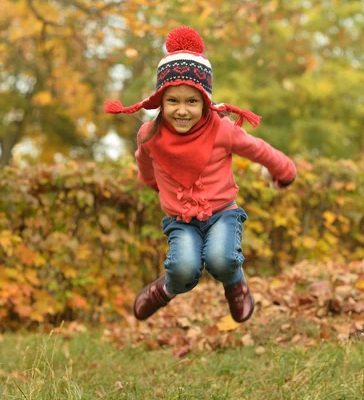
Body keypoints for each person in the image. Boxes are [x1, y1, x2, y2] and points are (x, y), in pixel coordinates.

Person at [104, 26, 296, 323]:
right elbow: (144, 163)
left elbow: (258, 149)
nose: (182, 110)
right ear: (160, 101)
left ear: (205, 101)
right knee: (183, 269)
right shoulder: (150, 134)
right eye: (173, 101)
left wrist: (284, 171)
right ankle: (163, 290)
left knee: (222, 259)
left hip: (221, 213)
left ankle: (236, 287)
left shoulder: (221, 129)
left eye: (191, 101)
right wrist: (152, 183)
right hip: (181, 221)